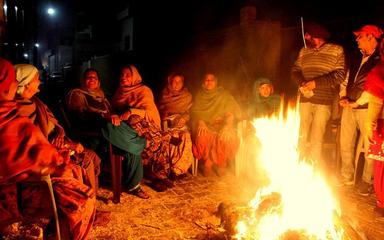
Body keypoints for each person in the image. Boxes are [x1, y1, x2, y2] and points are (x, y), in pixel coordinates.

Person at [0, 58, 95, 239]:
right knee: (82, 197)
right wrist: (60, 156)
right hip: (17, 191)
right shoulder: (12, 116)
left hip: (24, 179)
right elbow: (41, 156)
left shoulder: (31, 105)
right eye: (13, 80)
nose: (39, 83)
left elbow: (49, 129)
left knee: (82, 164)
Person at [14, 63, 101, 193]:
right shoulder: (19, 109)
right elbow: (34, 140)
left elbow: (53, 122)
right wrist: (67, 145)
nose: (39, 81)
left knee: (93, 156)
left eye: (95, 78)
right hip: (44, 151)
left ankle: (92, 199)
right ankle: (87, 203)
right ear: (27, 83)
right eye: (36, 78)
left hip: (57, 140)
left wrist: (59, 132)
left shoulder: (35, 101)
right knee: (86, 159)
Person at [66, 68, 149, 199]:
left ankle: (134, 186)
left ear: (98, 82)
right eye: (88, 77)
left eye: (95, 77)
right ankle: (140, 142)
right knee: (113, 127)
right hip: (91, 133)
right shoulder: (77, 94)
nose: (92, 79)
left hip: (106, 133)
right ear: (83, 80)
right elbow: (80, 117)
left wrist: (118, 115)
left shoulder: (102, 97)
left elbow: (112, 113)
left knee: (131, 149)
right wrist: (104, 116)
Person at [291, 22, 346, 168]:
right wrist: (302, 83)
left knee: (317, 136)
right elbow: (295, 70)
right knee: (300, 134)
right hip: (305, 99)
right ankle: (296, 165)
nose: (306, 37)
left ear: (318, 36)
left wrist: (316, 83)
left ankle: (312, 167)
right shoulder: (304, 51)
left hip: (324, 101)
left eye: (309, 35)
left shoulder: (336, 50)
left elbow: (340, 75)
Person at [111, 65, 174, 191]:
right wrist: (120, 115)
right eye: (122, 75)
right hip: (130, 130)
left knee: (136, 120)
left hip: (148, 125)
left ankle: (160, 175)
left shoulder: (144, 90)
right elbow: (114, 110)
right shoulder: (119, 92)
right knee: (138, 127)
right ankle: (157, 174)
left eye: (128, 75)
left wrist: (131, 111)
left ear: (135, 77)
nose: (124, 78)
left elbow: (149, 112)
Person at [338, 25, 383, 194]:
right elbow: (347, 78)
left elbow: (374, 88)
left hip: (368, 108)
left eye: (361, 36)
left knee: (369, 146)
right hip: (349, 105)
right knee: (346, 142)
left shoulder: (380, 60)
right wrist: (343, 96)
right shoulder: (357, 57)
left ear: (371, 38)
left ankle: (367, 181)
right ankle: (346, 176)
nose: (357, 40)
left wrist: (356, 103)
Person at [191, 72, 242, 176]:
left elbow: (232, 111)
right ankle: (207, 164)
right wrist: (201, 122)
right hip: (206, 125)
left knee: (226, 136)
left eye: (212, 80)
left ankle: (221, 164)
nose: (209, 82)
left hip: (222, 125)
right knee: (202, 136)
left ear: (216, 82)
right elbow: (195, 112)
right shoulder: (200, 95)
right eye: (207, 79)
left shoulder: (223, 95)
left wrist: (227, 125)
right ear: (203, 82)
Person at [158, 72, 194, 178]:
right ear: (170, 82)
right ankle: (168, 168)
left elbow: (190, 112)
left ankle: (178, 169)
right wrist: (164, 116)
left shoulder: (187, 96)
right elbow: (159, 110)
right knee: (170, 137)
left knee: (185, 137)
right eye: (174, 81)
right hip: (167, 125)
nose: (177, 84)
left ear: (183, 83)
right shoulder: (164, 94)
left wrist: (185, 118)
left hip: (181, 124)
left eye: (179, 82)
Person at [363, 38, 384, 215]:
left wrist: (369, 125)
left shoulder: (380, 71)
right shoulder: (380, 71)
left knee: (382, 166)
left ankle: (383, 203)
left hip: (382, 126)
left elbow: (376, 101)